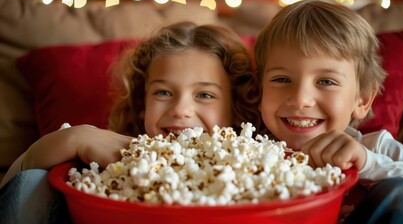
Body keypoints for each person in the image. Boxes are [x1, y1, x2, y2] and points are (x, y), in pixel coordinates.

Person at [0, 21, 262, 223]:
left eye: (205, 95)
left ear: (236, 106)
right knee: (31, 181)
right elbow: (12, 188)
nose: (181, 109)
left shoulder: (258, 169)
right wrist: (74, 137)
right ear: (141, 101)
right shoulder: (111, 157)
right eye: (163, 92)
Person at [254, 0, 403, 224]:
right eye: (281, 79)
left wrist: (368, 163)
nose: (300, 100)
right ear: (260, 92)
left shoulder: (375, 148)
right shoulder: (244, 152)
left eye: (326, 81)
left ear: (363, 100)